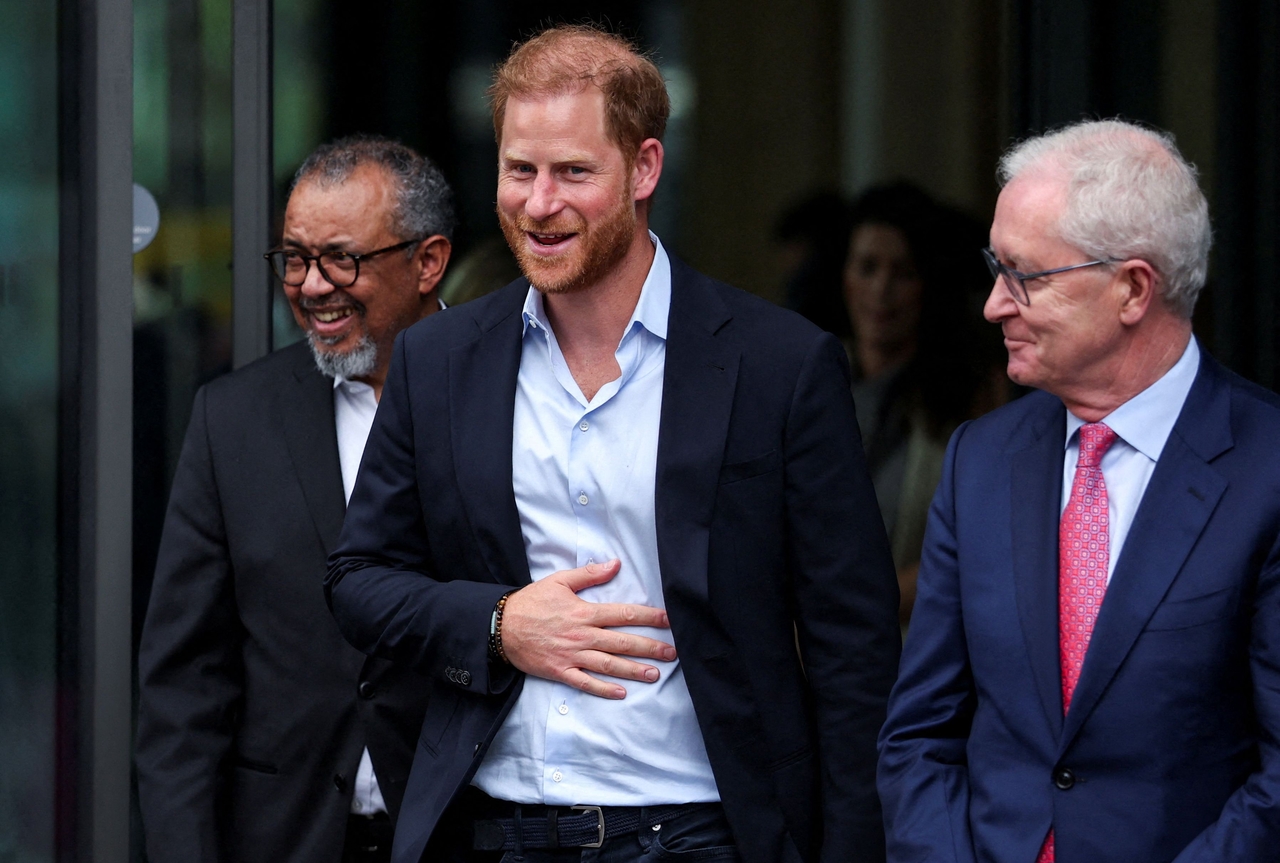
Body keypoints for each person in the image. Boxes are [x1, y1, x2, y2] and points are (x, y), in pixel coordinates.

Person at [325, 24, 900, 863]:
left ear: (644, 169)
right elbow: (357, 581)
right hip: (492, 828)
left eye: (573, 172)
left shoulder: (779, 364)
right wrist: (497, 623)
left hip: (703, 830)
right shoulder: (439, 358)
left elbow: (855, 647)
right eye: (519, 169)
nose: (538, 201)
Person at [877, 119, 1280, 862]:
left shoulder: (1266, 466)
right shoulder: (981, 461)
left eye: (1025, 275)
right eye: (995, 268)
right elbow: (920, 734)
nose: (996, 303)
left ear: (1132, 288)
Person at [135, 136, 455, 863]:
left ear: (428, 261)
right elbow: (184, 691)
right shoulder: (233, 419)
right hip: (285, 839)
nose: (311, 285)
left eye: (341, 258)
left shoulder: (511, 395)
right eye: (294, 258)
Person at [839, 183, 1003, 627]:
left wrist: (852, 611)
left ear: (928, 284)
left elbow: (980, 549)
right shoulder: (806, 379)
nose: (881, 290)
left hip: (914, 656)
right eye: (867, 267)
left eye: (904, 272)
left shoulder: (969, 395)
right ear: (843, 275)